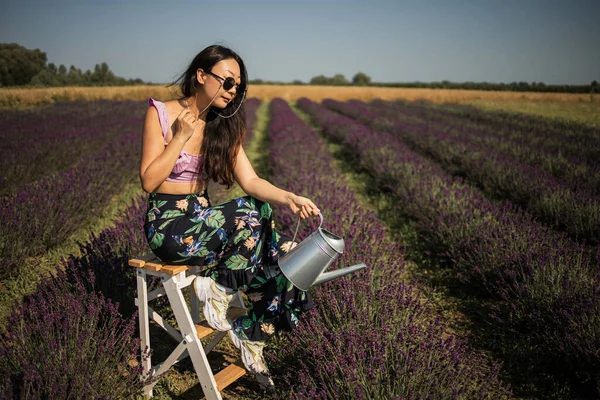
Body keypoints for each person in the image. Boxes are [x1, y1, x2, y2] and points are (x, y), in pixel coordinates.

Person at [139, 44, 320, 391]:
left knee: (294, 261)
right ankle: (220, 286)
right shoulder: (160, 113)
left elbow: (250, 181)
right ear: (201, 76)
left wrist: (290, 198)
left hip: (204, 222)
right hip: (169, 227)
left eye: (238, 85)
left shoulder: (222, 125)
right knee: (248, 211)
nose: (232, 90)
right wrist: (179, 138)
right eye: (226, 81)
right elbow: (149, 180)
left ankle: (251, 335)